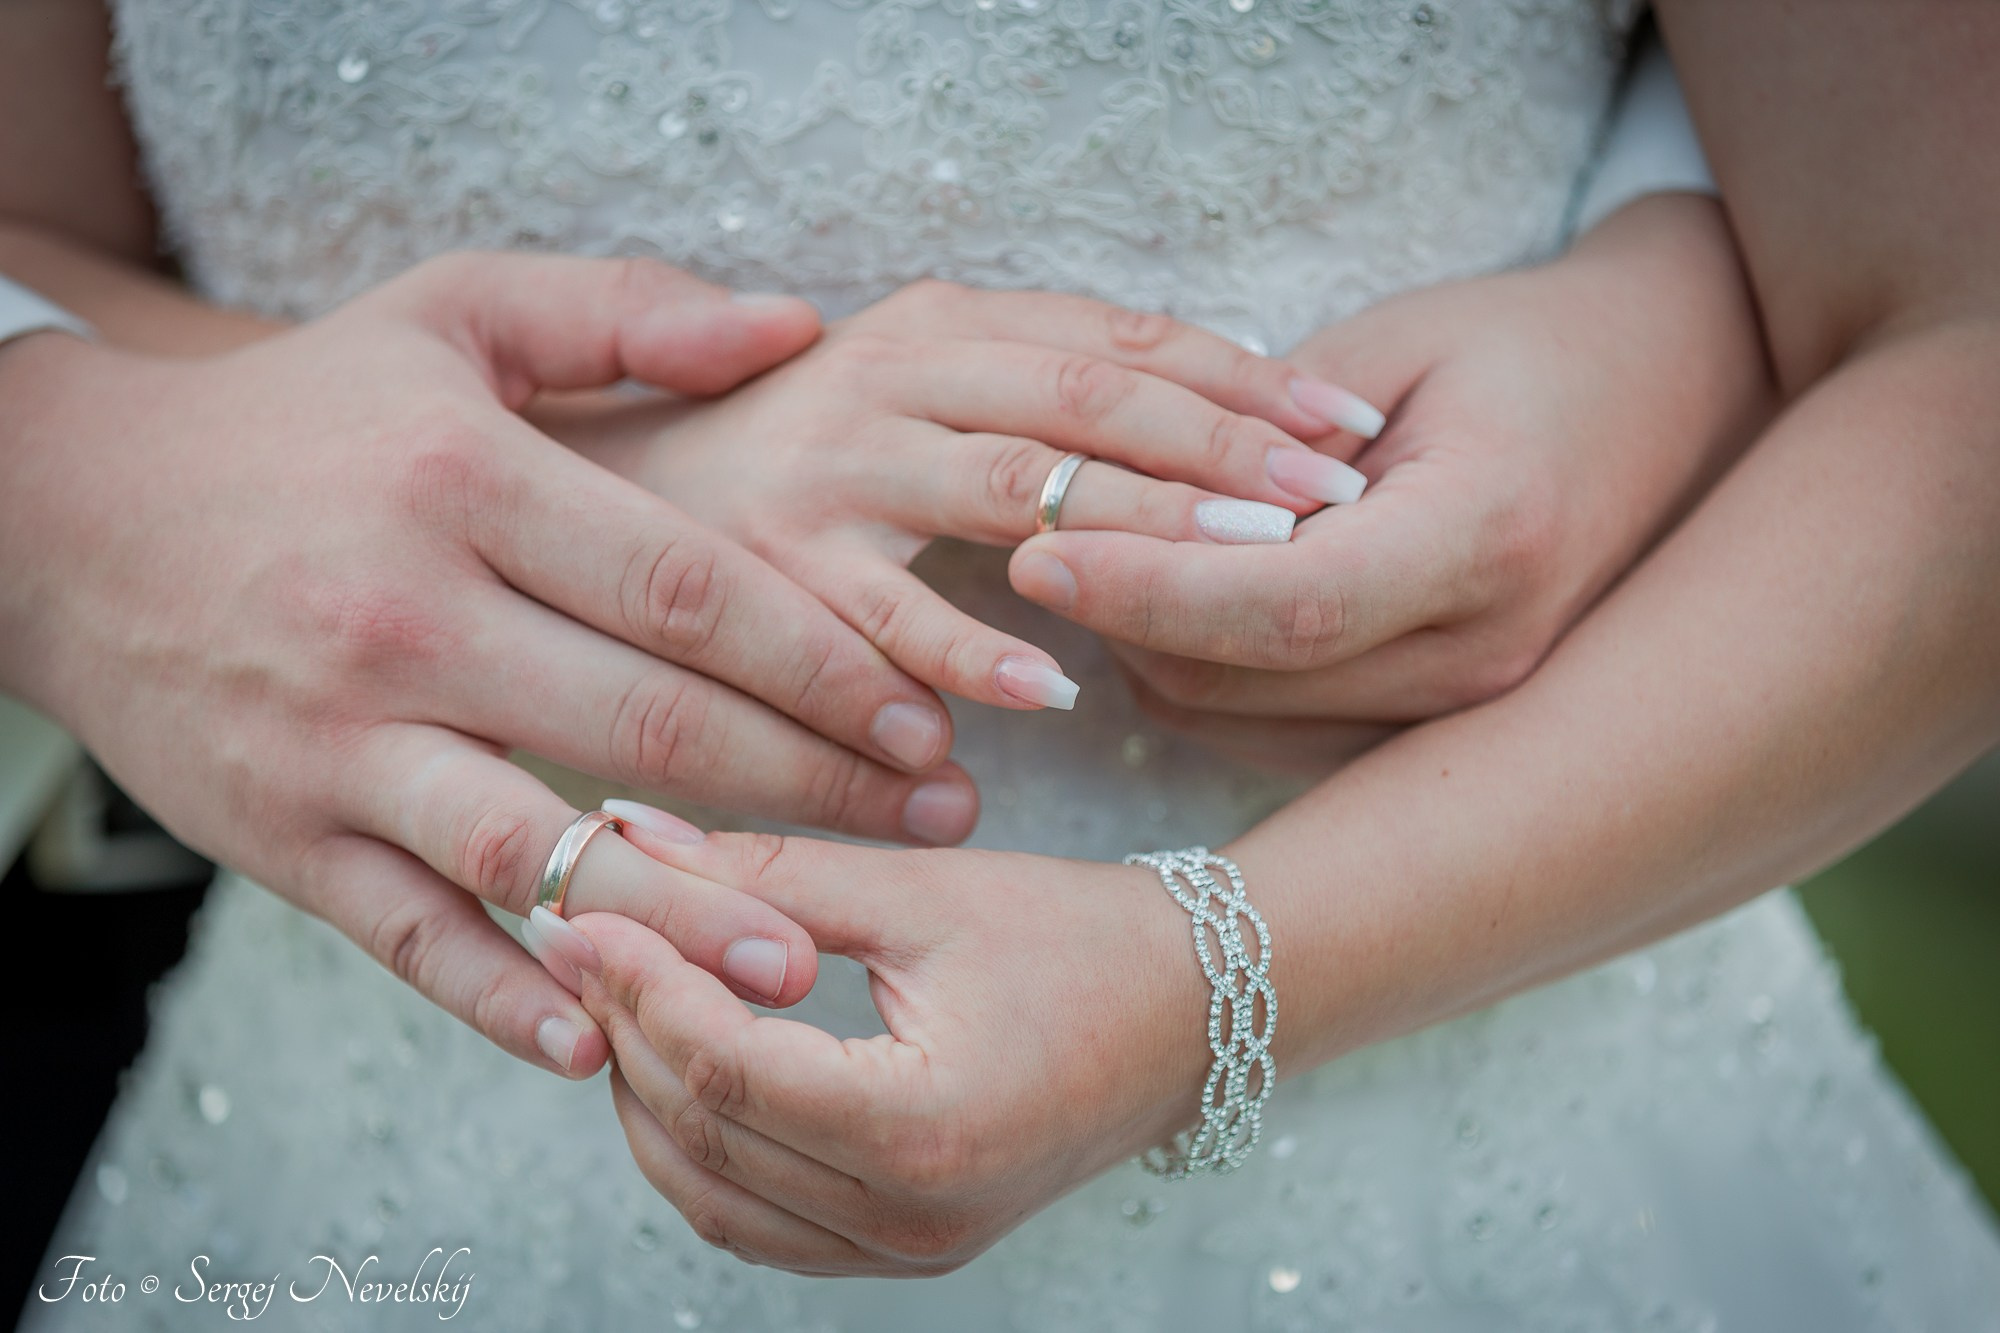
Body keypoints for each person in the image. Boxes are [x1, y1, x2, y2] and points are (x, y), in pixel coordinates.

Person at [9, 2, 1998, 1330]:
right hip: (384, 1162)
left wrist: (1208, 976)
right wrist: (590, 499)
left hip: (1501, 1108)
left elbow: (1954, 342)